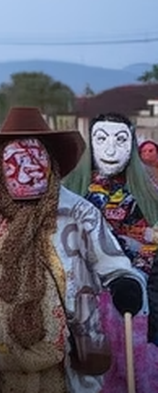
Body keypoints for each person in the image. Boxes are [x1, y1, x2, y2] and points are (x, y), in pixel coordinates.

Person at [0, 107, 145, 393]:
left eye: (36, 158)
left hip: (62, 358)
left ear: (51, 163)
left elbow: (112, 261)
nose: (27, 169)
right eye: (17, 159)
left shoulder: (77, 212)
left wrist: (125, 282)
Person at [64, 112, 158, 392]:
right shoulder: (71, 192)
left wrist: (139, 268)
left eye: (120, 140)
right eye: (102, 139)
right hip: (82, 297)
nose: (110, 149)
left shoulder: (149, 192)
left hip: (136, 295)